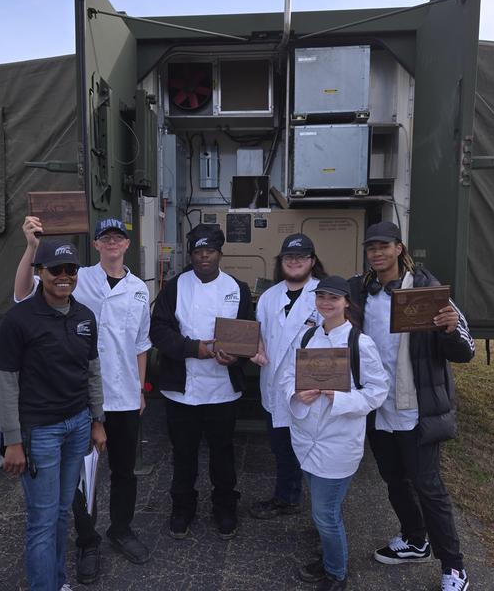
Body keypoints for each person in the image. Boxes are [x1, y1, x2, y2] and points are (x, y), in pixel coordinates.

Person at [15, 217, 152, 583]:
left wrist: (140, 389)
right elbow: (23, 294)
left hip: (124, 396)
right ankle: (87, 540)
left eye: (118, 237)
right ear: (96, 245)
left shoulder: (140, 289)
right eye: (106, 238)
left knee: (124, 470)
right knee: (80, 477)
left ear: (127, 244)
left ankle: (121, 529)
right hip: (82, 396)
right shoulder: (76, 277)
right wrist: (31, 247)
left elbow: (141, 345)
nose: (112, 243)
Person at [348, 221, 475, 591]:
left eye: (383, 246)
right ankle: (415, 539)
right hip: (378, 405)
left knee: (428, 486)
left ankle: (454, 567)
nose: (377, 253)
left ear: (399, 248)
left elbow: (465, 351)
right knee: (393, 478)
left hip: (416, 407)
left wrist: (450, 328)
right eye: (371, 247)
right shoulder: (361, 291)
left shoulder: (427, 289)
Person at [0, 239, 107, 591]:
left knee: (61, 513)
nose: (63, 276)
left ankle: (57, 583)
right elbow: (6, 383)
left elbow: (92, 371)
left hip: (78, 425)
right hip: (39, 431)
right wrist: (13, 441)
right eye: (55, 270)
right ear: (39, 272)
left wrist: (97, 420)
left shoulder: (84, 316)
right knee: (42, 521)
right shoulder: (18, 320)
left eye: (70, 269)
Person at [285, 276, 389, 591]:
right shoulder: (308, 337)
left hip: (338, 444)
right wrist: (296, 394)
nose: (326, 303)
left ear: (346, 302)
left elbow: (378, 391)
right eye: (321, 297)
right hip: (306, 439)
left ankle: (336, 572)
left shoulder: (359, 343)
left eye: (334, 298)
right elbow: (289, 375)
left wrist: (340, 397)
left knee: (326, 513)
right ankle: (329, 554)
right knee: (323, 510)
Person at [149, 223, 252, 540]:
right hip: (183, 391)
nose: (204, 256)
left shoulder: (238, 288)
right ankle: (182, 507)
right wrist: (195, 349)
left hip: (222, 391)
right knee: (183, 453)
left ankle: (225, 506)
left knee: (223, 453)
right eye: (198, 251)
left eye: (210, 250)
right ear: (191, 255)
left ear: (220, 253)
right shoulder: (174, 288)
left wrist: (237, 357)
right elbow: (159, 331)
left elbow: (248, 334)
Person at [249, 233, 327, 520]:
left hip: (311, 390)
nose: (295, 261)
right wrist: (256, 347)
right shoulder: (269, 297)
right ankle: (287, 498)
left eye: (301, 256)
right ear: (281, 261)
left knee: (313, 452)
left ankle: (324, 512)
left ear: (312, 261)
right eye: (289, 257)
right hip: (274, 386)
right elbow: (259, 333)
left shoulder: (324, 295)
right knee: (281, 448)